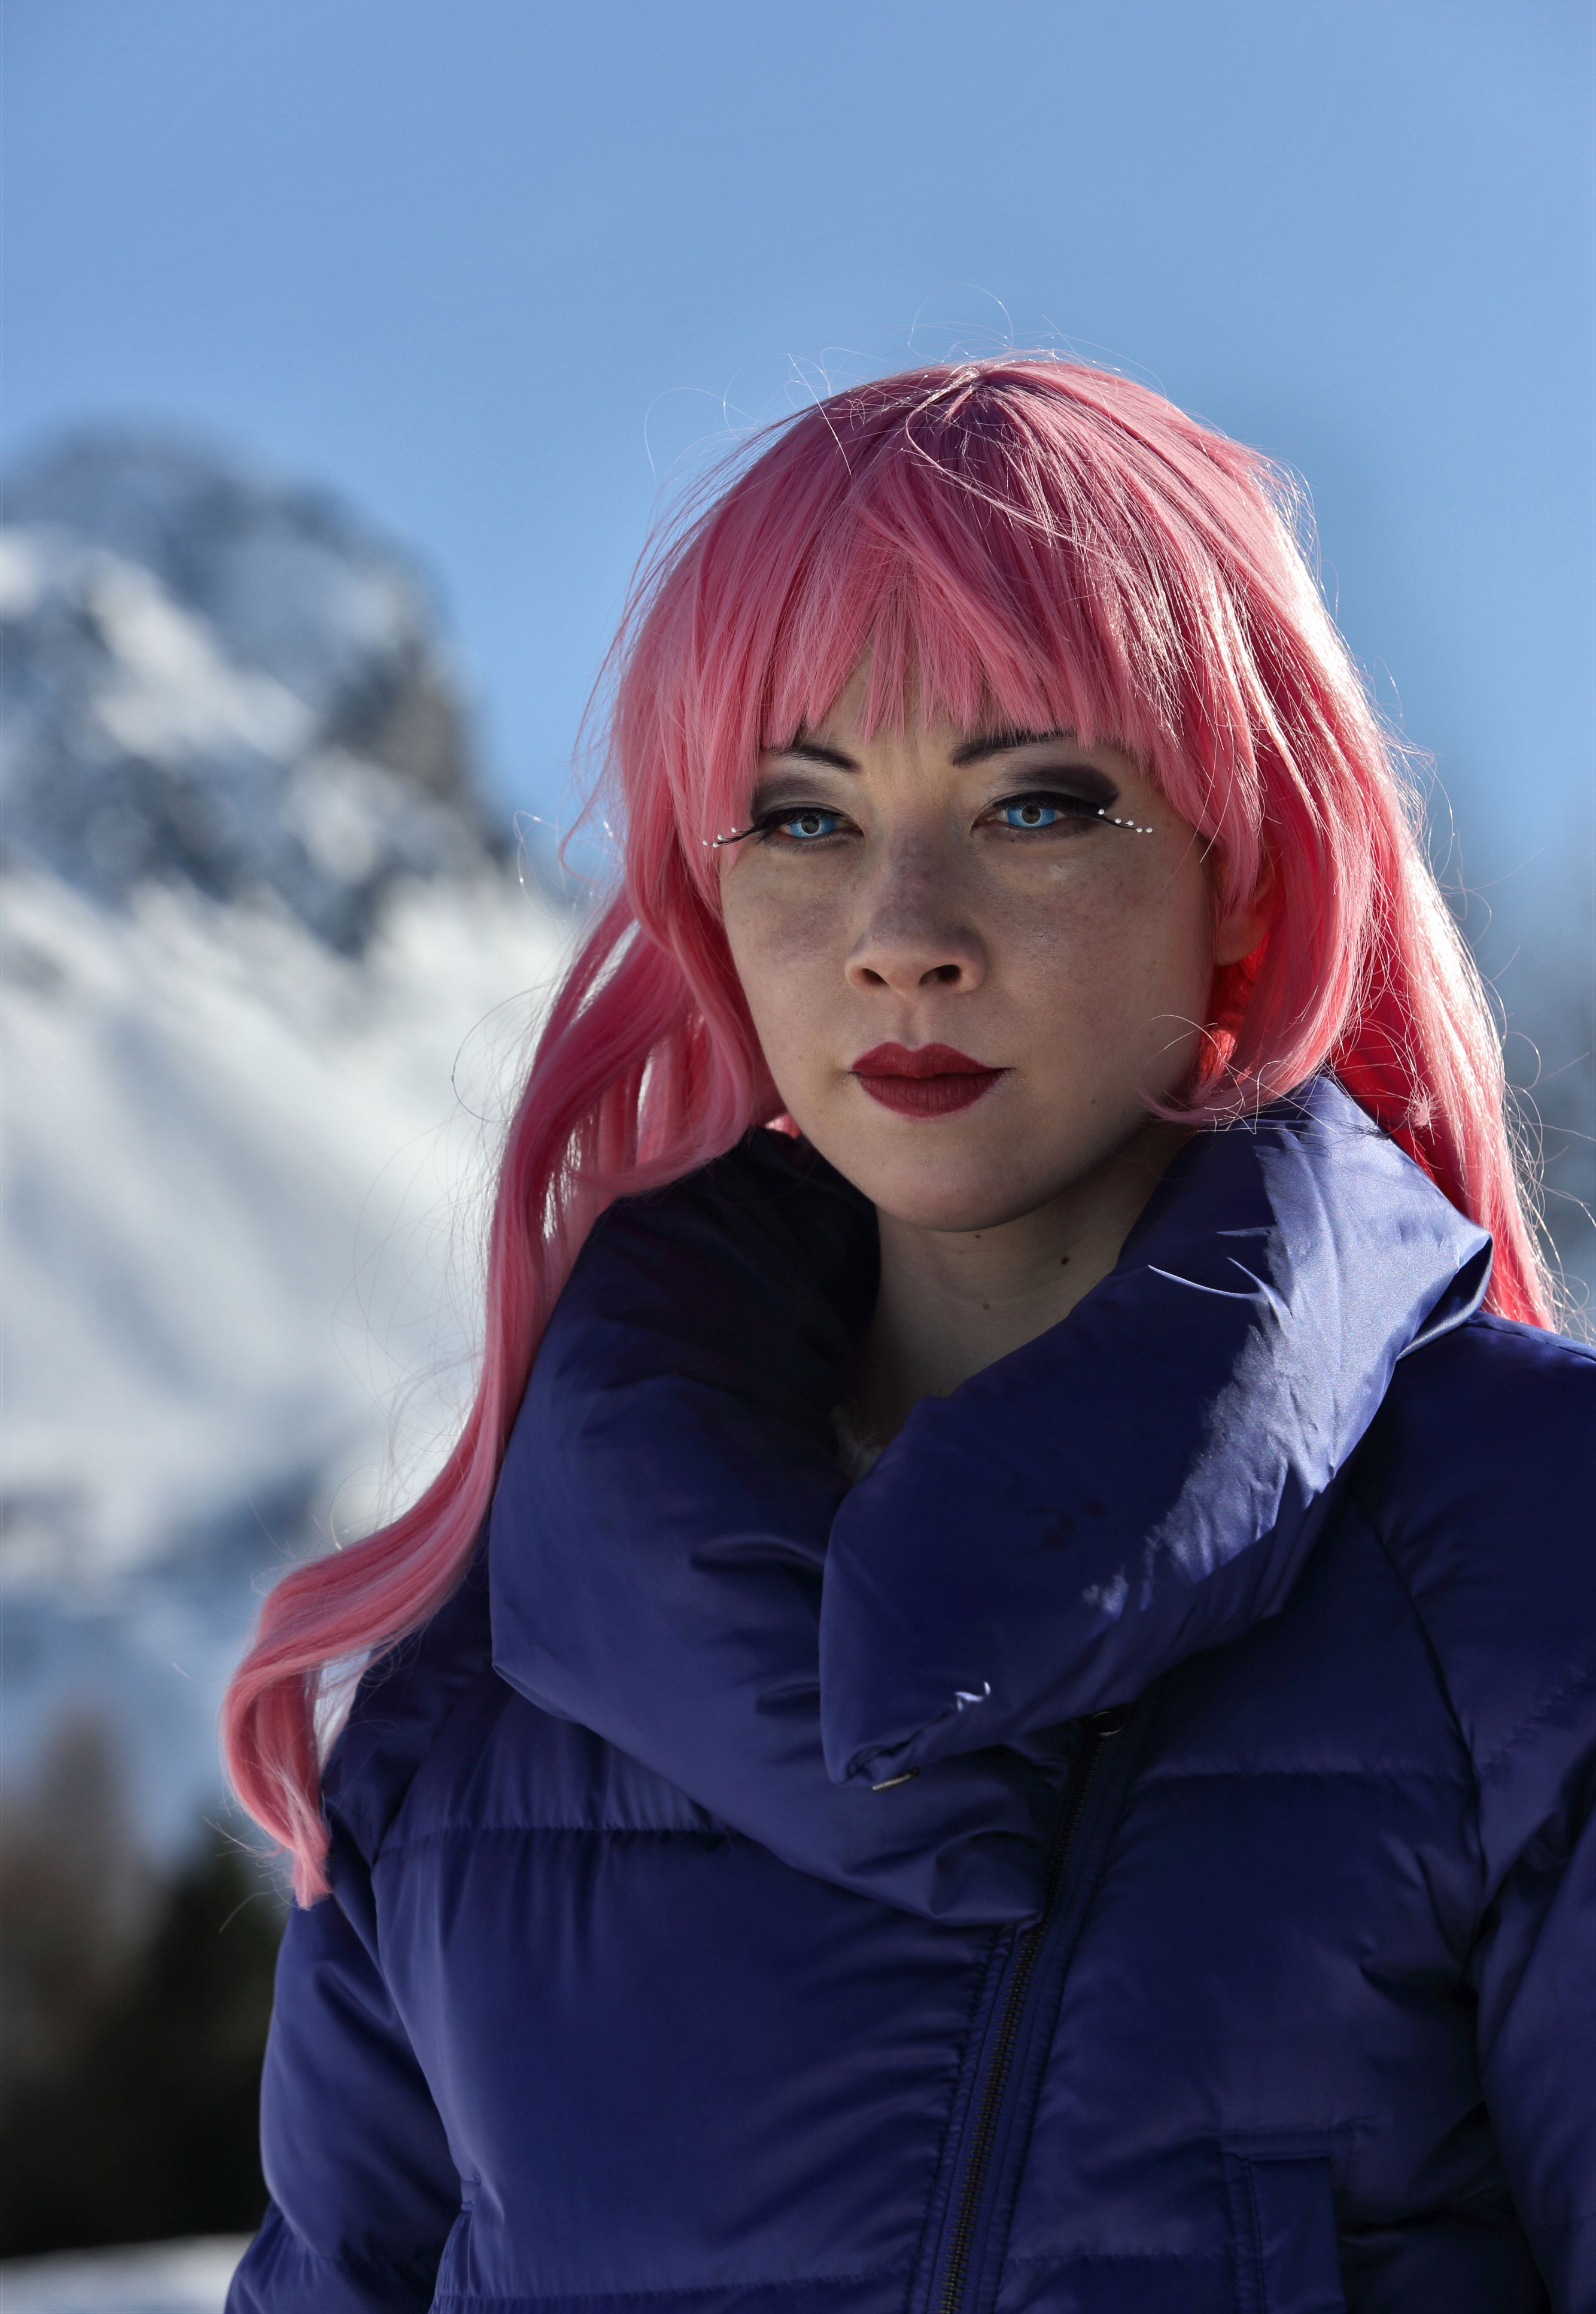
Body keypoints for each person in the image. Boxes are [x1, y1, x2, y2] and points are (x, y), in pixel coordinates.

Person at [223, 360, 1594, 2314]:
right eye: (802, 817)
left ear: (1243, 869)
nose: (900, 930)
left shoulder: (1535, 1559)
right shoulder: (472, 1698)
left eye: (1038, 802)